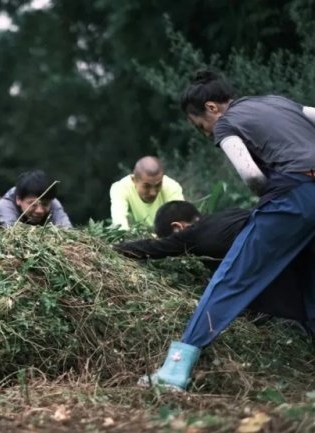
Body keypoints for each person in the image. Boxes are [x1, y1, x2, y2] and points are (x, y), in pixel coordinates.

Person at [141, 69, 315, 392]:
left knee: (231, 277)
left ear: (211, 108)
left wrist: (273, 195)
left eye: (200, 127)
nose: (206, 134)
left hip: (292, 196)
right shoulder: (277, 102)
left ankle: (174, 372)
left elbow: (250, 175)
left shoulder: (225, 122)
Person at [114, 201, 309, 326]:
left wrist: (111, 249)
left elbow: (152, 248)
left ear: (178, 227)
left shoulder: (191, 234)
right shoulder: (226, 214)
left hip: (278, 255)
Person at [109, 156, 184, 230]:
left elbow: (179, 223)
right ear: (134, 180)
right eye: (147, 186)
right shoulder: (120, 188)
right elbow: (120, 223)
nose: (153, 193)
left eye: (158, 185)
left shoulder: (172, 187)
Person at [0, 170, 72, 227]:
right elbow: (13, 235)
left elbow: (67, 230)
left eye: (45, 204)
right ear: (18, 200)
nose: (39, 210)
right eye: (32, 204)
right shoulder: (6, 205)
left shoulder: (53, 203)